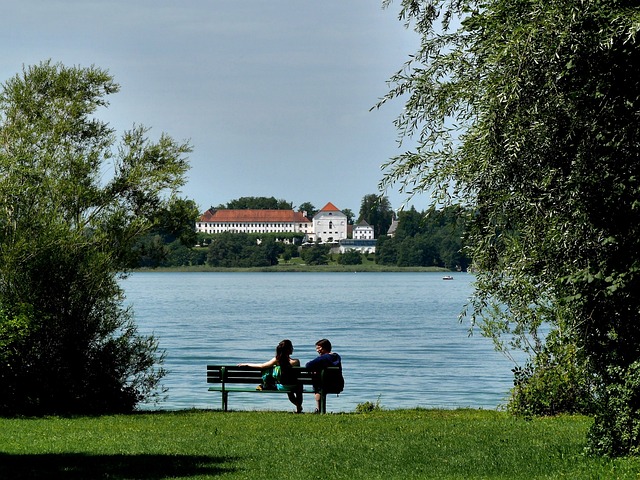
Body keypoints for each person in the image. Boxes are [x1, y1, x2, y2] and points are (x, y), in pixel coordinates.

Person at [238, 339, 303, 413]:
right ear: (289, 349)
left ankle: (299, 406)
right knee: (298, 387)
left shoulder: (277, 360)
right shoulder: (296, 362)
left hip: (282, 387)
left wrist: (247, 364)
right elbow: (298, 375)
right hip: (295, 386)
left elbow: (262, 366)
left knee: (289, 390)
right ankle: (298, 407)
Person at [305, 338, 343, 413]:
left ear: (325, 347)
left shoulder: (323, 358)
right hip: (338, 384)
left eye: (319, 348)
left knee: (318, 386)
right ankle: (320, 410)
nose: (317, 350)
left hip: (324, 385)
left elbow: (308, 365)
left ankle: (318, 409)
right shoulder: (336, 357)